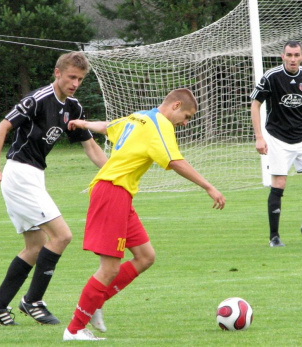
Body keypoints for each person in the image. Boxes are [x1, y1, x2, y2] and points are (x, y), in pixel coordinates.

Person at [62, 88, 226, 340]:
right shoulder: (160, 124)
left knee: (145, 256)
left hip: (120, 194)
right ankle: (74, 329)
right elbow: (175, 161)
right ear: (175, 105)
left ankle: (95, 302)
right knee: (109, 268)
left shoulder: (139, 117)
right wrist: (209, 186)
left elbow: (108, 127)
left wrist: (83, 123)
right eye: (187, 116)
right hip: (112, 192)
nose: (185, 123)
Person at [0, 52, 107, 326]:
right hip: (19, 174)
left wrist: (113, 173)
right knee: (62, 236)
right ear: (57, 73)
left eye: (80, 79)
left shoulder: (73, 107)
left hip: (35, 176)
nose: (75, 83)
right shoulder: (37, 99)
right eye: (71, 77)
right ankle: (32, 301)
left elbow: (90, 146)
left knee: (35, 247)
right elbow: (1, 129)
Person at [250, 40, 302, 247]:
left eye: (296, 55)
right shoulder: (271, 77)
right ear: (282, 56)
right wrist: (259, 136)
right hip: (278, 137)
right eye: (289, 55)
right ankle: (274, 236)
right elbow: (255, 105)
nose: (293, 59)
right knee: (279, 183)